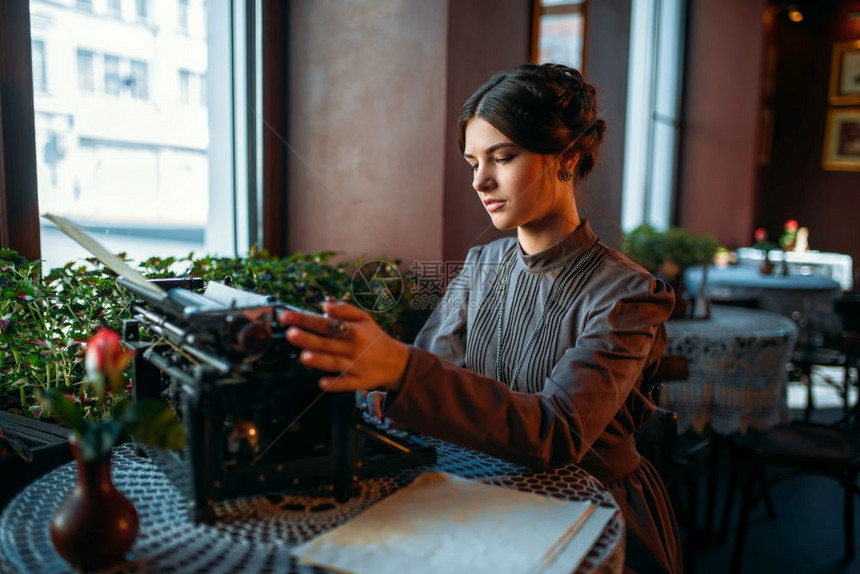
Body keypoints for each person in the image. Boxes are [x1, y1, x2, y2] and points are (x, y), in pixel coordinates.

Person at [280, 63, 682, 574]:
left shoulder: (629, 294)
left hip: (594, 516)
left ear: (568, 157)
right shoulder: (481, 264)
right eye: (472, 162)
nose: (480, 180)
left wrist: (401, 369)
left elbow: (555, 434)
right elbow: (423, 375)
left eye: (503, 157)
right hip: (485, 497)